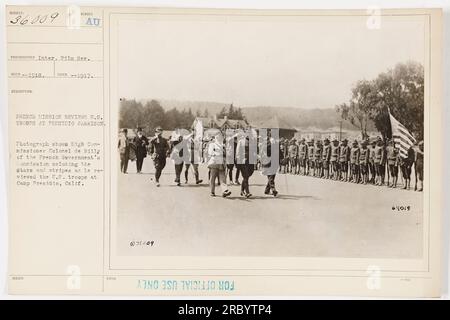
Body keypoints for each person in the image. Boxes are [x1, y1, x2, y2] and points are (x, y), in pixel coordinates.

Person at [261, 133, 279, 197]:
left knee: (271, 177)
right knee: (271, 177)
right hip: (268, 162)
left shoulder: (274, 143)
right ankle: (273, 190)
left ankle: (267, 190)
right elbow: (267, 153)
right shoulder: (266, 144)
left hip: (273, 162)